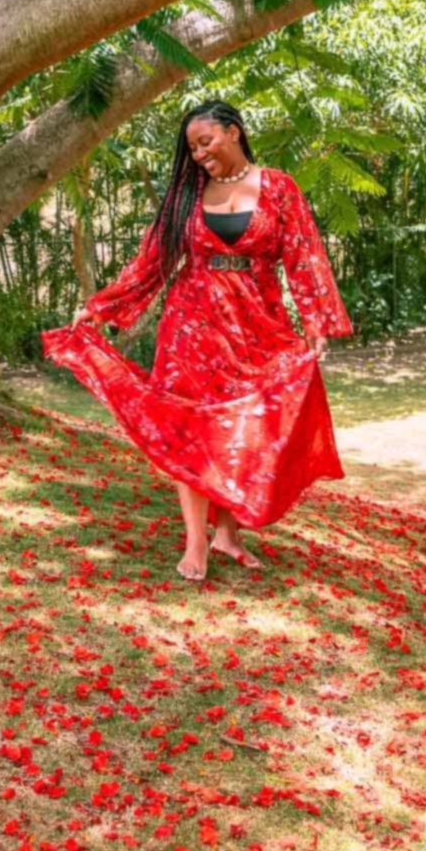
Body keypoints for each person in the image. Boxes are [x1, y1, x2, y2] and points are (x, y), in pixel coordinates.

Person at [41, 99, 354, 582]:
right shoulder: (185, 195)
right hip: (193, 323)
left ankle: (227, 535)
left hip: (258, 323)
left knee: (242, 429)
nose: (198, 154)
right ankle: (195, 544)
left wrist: (315, 320)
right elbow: (151, 261)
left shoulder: (279, 188)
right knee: (192, 426)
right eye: (191, 148)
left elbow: (304, 254)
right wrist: (101, 306)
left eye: (205, 141)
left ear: (233, 131)